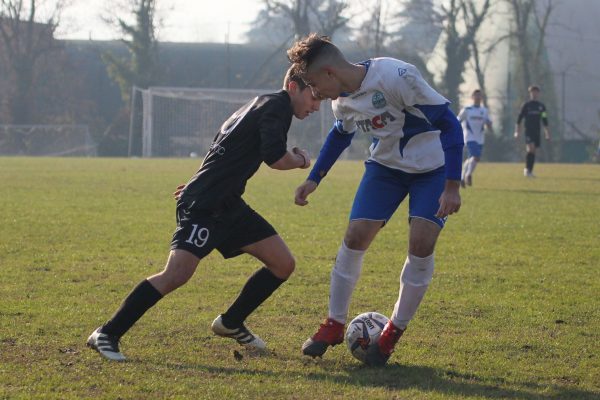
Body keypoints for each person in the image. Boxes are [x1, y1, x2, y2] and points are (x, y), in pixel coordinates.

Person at [86, 66, 321, 361]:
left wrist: (200, 181)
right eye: (314, 97)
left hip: (228, 203)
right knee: (176, 274)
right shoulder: (277, 107)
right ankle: (107, 333)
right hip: (206, 206)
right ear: (292, 86)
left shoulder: (260, 104)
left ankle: (231, 322)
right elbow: (275, 158)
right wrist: (301, 160)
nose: (316, 106)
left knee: (283, 264)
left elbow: (222, 150)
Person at [287, 34, 463, 366]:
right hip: (385, 169)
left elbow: (449, 124)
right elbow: (340, 134)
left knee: (421, 244)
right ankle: (334, 324)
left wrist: (452, 185)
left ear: (329, 73)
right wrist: (314, 179)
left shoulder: (396, 76)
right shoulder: (342, 101)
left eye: (313, 83)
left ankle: (391, 333)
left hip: (432, 169)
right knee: (355, 236)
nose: (315, 94)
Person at [457, 89, 493, 187]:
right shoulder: (467, 110)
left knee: (471, 158)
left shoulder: (484, 110)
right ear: (472, 97)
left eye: (479, 96)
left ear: (481, 98)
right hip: (469, 137)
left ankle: (462, 178)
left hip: (480, 138)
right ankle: (468, 175)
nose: (478, 97)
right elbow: (457, 121)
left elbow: (488, 122)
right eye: (476, 95)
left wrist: (490, 126)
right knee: (476, 156)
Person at [514, 85, 550, 177]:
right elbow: (519, 119)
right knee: (531, 148)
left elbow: (545, 120)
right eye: (532, 92)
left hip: (537, 131)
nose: (534, 94)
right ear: (530, 93)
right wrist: (517, 132)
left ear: (538, 94)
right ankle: (526, 170)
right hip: (528, 131)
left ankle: (530, 170)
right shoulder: (526, 106)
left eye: (536, 92)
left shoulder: (541, 107)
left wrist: (547, 133)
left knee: (533, 151)